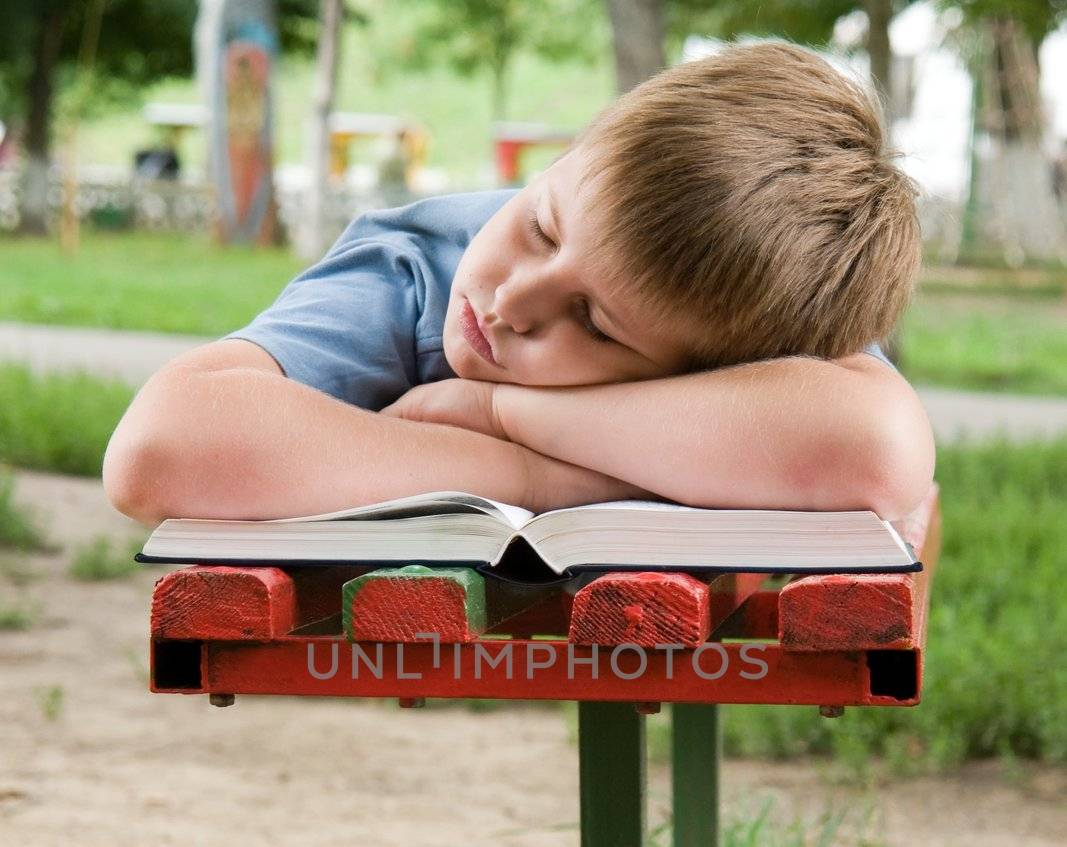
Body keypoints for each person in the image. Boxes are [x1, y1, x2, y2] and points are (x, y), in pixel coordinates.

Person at [102, 40, 935, 529]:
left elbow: (879, 453)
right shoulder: (420, 264)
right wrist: (537, 477)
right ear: (564, 158)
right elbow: (158, 451)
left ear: (698, 371)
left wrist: (507, 413)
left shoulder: (754, 289)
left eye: (595, 325)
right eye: (540, 225)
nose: (509, 301)